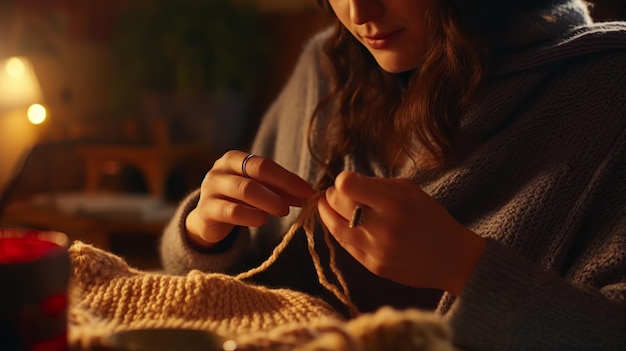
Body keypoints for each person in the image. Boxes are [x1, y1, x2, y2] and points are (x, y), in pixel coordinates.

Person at [160, 0, 626, 349]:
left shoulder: (604, 90)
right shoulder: (327, 67)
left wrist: (465, 265)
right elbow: (232, 293)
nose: (360, 12)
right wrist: (207, 237)